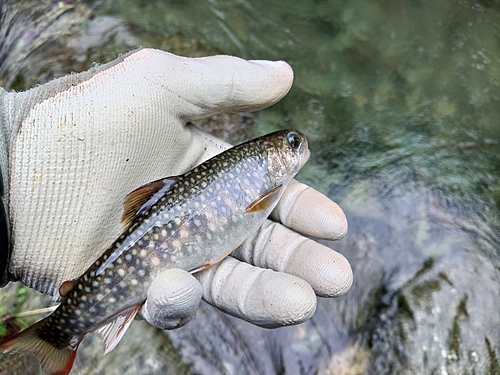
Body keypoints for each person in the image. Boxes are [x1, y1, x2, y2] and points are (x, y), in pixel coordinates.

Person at [0, 48, 352, 330]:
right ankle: (58, 334)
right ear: (270, 158)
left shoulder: (267, 183)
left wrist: (8, 157)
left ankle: (63, 328)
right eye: (291, 144)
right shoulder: (265, 184)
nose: (298, 146)